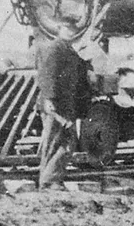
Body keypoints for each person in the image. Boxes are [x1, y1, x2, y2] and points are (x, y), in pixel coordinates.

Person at [34, 14, 93, 190]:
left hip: (66, 105)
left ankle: (50, 179)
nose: (70, 33)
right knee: (58, 142)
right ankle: (50, 180)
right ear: (59, 29)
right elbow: (47, 76)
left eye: (73, 30)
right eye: (67, 29)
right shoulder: (55, 48)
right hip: (56, 106)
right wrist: (49, 99)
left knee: (62, 142)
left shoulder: (69, 49)